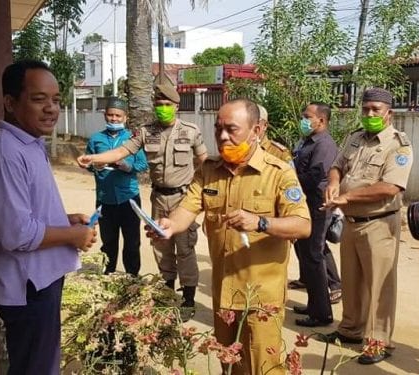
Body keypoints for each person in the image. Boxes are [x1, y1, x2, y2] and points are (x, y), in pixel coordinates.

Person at [147, 98, 311, 374]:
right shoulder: (209, 170)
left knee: (264, 366)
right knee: (228, 363)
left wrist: (260, 222)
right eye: (217, 129)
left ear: (256, 131)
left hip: (261, 296)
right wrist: (168, 226)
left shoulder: (278, 172)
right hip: (224, 293)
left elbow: (303, 225)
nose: (222, 137)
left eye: (231, 129)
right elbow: (187, 208)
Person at [0, 60, 97, 374]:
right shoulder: (6, 153)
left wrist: (62, 217)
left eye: (56, 100)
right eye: (38, 99)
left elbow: (25, 209)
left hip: (41, 280)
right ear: (11, 102)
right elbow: (16, 233)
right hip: (28, 288)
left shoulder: (29, 143)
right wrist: (72, 236)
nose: (51, 109)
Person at [77, 83, 208, 320]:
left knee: (185, 248)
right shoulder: (146, 132)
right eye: (158, 105)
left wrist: (193, 184)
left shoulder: (190, 130)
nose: (162, 109)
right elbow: (119, 153)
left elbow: (203, 160)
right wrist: (92, 158)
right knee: (161, 247)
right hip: (159, 198)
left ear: (176, 107)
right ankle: (167, 294)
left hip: (183, 198)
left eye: (167, 105)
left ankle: (188, 298)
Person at [320, 87, 414, 365]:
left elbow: (390, 187)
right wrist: (335, 183)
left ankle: (378, 341)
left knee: (379, 285)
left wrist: (347, 196)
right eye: (365, 109)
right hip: (352, 221)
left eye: (375, 109)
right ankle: (351, 329)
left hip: (379, 223)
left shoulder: (399, 145)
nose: (370, 114)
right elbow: (337, 166)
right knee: (352, 280)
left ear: (389, 113)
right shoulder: (355, 138)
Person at [291, 102, 340, 327]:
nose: (303, 119)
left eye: (307, 116)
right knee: (306, 255)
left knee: (314, 255)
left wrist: (287, 182)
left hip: (317, 206)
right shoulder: (307, 141)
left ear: (321, 120)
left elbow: (313, 176)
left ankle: (322, 313)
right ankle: (313, 305)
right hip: (304, 205)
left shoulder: (325, 145)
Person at [85, 97, 148, 275]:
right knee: (108, 243)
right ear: (105, 116)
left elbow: (143, 165)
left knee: (132, 243)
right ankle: (108, 276)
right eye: (110, 115)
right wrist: (93, 166)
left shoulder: (132, 139)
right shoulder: (96, 139)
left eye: (118, 116)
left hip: (129, 199)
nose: (114, 119)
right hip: (105, 199)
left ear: (125, 118)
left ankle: (132, 278)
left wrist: (127, 167)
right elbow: (88, 162)